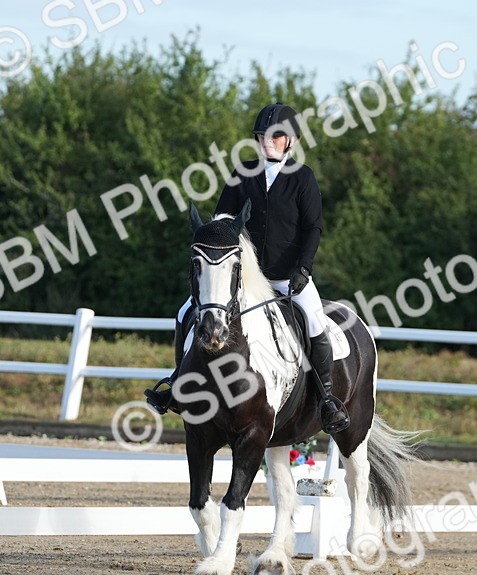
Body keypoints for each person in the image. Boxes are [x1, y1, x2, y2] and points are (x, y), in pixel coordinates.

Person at [145, 102, 350, 434]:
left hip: (287, 278)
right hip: (242, 281)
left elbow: (313, 228)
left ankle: (327, 398)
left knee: (314, 320)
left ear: (291, 141)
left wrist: (305, 268)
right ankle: (179, 383)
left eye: (276, 136)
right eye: (262, 135)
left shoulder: (302, 178)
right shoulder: (243, 173)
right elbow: (223, 223)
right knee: (186, 311)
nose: (267, 141)